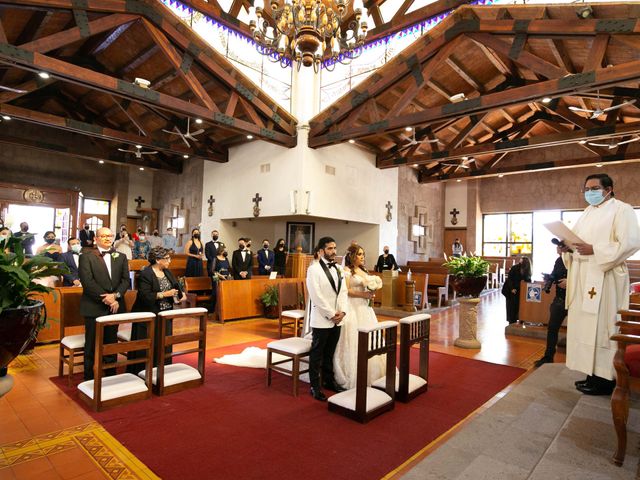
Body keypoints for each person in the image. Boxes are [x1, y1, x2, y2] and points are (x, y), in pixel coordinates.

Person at [561, 173, 640, 395]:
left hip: (606, 277)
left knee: (603, 327)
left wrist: (596, 249)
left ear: (609, 189)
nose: (590, 193)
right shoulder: (586, 213)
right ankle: (591, 374)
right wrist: (566, 249)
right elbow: (577, 243)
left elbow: (631, 242)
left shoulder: (622, 210)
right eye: (586, 189)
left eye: (594, 188)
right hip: (584, 275)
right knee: (586, 328)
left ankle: (605, 379)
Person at [78, 227, 130, 381]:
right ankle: (89, 376)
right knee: (92, 343)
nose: (108, 238)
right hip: (94, 306)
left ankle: (110, 375)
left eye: (110, 236)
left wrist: (115, 296)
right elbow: (87, 282)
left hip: (115, 306)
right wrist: (106, 298)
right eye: (104, 236)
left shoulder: (120, 256)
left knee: (110, 341)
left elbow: (126, 280)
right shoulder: (86, 256)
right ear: (96, 238)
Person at [334, 244, 386, 390]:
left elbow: (367, 286)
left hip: (365, 309)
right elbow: (346, 290)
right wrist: (364, 294)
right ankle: (351, 373)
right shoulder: (346, 270)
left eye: (363, 254)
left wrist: (371, 291)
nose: (362, 257)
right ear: (352, 256)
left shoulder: (363, 270)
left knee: (371, 339)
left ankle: (374, 372)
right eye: (359, 254)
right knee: (353, 339)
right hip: (352, 307)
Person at [128, 247, 185, 374]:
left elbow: (176, 287)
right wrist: (165, 294)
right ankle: (144, 371)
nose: (169, 261)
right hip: (148, 314)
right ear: (158, 260)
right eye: (167, 258)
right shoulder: (145, 273)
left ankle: (163, 369)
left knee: (164, 343)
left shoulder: (167, 272)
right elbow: (145, 295)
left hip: (165, 313)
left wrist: (180, 295)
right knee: (149, 344)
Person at [306, 236, 348, 401]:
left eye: (335, 248)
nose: (333, 251)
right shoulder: (313, 269)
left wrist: (342, 312)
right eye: (330, 248)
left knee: (330, 353)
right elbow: (316, 296)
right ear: (322, 250)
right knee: (317, 354)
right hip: (323, 319)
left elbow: (343, 292)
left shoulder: (338, 268)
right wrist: (331, 314)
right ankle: (314, 386)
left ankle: (329, 381)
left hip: (338, 318)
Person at [534, 242, 568, 367]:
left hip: (573, 299)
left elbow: (582, 277)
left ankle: (576, 360)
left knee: (576, 331)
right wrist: (549, 278)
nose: (557, 248)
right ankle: (548, 357)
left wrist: (570, 282)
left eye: (560, 246)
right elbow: (554, 274)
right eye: (558, 246)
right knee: (552, 329)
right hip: (559, 299)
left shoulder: (577, 260)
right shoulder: (559, 261)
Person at [501, 256, 532, 324]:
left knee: (518, 307)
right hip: (511, 290)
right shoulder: (515, 268)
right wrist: (512, 288)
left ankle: (519, 319)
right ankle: (512, 321)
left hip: (520, 291)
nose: (520, 261)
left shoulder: (527, 269)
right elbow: (510, 279)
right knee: (511, 307)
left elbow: (528, 280)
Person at [210, 246, 231, 313]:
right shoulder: (215, 259)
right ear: (220, 251)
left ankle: (225, 310)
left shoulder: (226, 259)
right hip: (217, 279)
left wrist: (229, 275)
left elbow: (228, 268)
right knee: (216, 294)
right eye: (224, 250)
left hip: (226, 279)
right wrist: (221, 276)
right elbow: (213, 270)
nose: (226, 252)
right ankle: (213, 311)